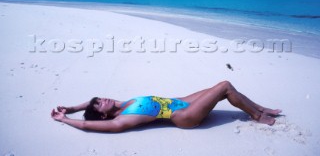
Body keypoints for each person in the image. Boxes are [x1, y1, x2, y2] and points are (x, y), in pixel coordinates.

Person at [51, 81, 281, 133]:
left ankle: (260, 108)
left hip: (182, 101)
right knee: (224, 86)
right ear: (103, 116)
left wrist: (70, 107)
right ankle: (257, 116)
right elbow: (86, 123)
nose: (103, 99)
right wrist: (66, 119)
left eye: (99, 98)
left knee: (222, 87)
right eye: (99, 104)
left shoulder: (122, 104)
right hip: (183, 116)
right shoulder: (122, 119)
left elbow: (90, 104)